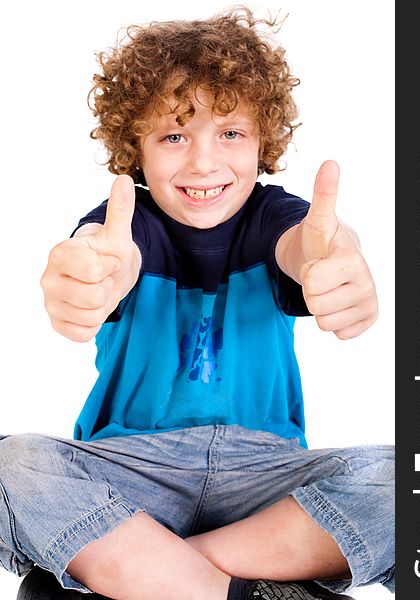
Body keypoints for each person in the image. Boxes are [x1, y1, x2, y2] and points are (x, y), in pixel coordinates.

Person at [0, 6, 394, 600]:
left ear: (263, 140)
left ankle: (138, 574)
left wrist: (335, 262)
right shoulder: (123, 224)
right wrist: (88, 280)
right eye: (174, 135)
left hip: (264, 480)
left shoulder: (273, 217)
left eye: (231, 133)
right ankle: (245, 590)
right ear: (137, 146)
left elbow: (308, 245)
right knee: (16, 461)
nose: (204, 162)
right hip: (129, 471)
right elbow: (107, 255)